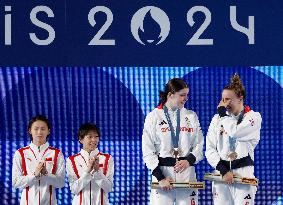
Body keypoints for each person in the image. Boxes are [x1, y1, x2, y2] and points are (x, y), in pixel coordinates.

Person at [142, 78, 204, 205]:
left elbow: (199, 145)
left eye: (187, 95)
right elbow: (148, 151)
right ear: (170, 95)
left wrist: (189, 160)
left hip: (186, 173)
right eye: (182, 95)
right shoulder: (154, 116)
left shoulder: (191, 116)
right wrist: (160, 177)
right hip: (164, 175)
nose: (185, 98)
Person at [205, 74, 262, 205]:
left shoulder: (253, 117)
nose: (224, 104)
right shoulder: (216, 119)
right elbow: (210, 149)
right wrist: (223, 171)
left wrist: (223, 115)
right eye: (222, 99)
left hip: (243, 175)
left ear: (240, 98)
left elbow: (235, 132)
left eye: (228, 99)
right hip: (221, 175)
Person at [12, 115, 65, 205]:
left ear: (48, 131)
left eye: (43, 129)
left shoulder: (56, 154)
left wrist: (46, 174)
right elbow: (15, 182)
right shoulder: (20, 153)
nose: (39, 132)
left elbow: (60, 183)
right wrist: (34, 176)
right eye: (36, 129)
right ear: (30, 131)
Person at [66, 123, 114, 205]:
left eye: (96, 137)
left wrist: (97, 171)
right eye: (90, 137)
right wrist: (87, 172)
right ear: (81, 139)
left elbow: (109, 188)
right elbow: (74, 189)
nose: (94, 140)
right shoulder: (72, 160)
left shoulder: (107, 158)